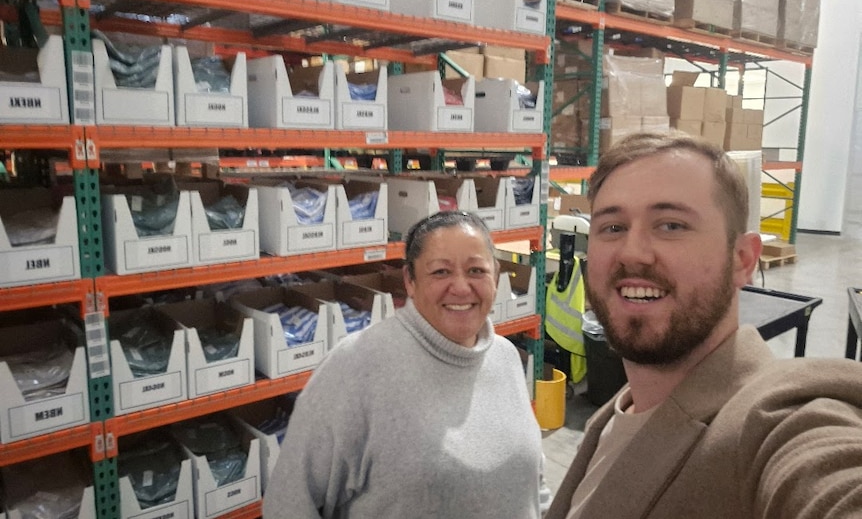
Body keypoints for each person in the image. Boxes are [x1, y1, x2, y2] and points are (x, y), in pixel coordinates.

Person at [546, 131, 862, 519]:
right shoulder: (615, 417)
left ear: (743, 260)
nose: (633, 252)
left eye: (671, 225)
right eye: (613, 227)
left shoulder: (777, 423)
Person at [263, 210, 543, 519]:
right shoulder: (356, 366)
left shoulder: (505, 357)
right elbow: (288, 504)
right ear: (409, 280)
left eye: (476, 270)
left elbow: (533, 480)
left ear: (496, 275)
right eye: (440, 272)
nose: (462, 288)